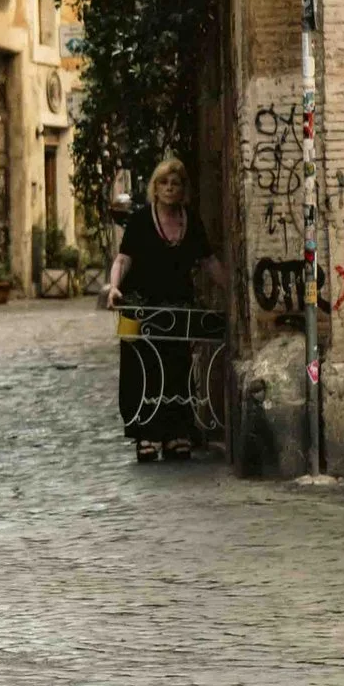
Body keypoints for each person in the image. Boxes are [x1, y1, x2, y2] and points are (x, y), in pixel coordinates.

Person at [104, 152, 222, 462]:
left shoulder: (190, 221)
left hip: (176, 306)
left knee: (176, 364)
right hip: (138, 306)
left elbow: (209, 261)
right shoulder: (141, 220)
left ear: (184, 189)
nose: (170, 188)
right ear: (155, 188)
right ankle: (144, 433)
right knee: (140, 367)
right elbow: (123, 259)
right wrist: (114, 287)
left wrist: (233, 292)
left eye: (176, 183)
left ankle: (175, 432)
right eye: (164, 183)